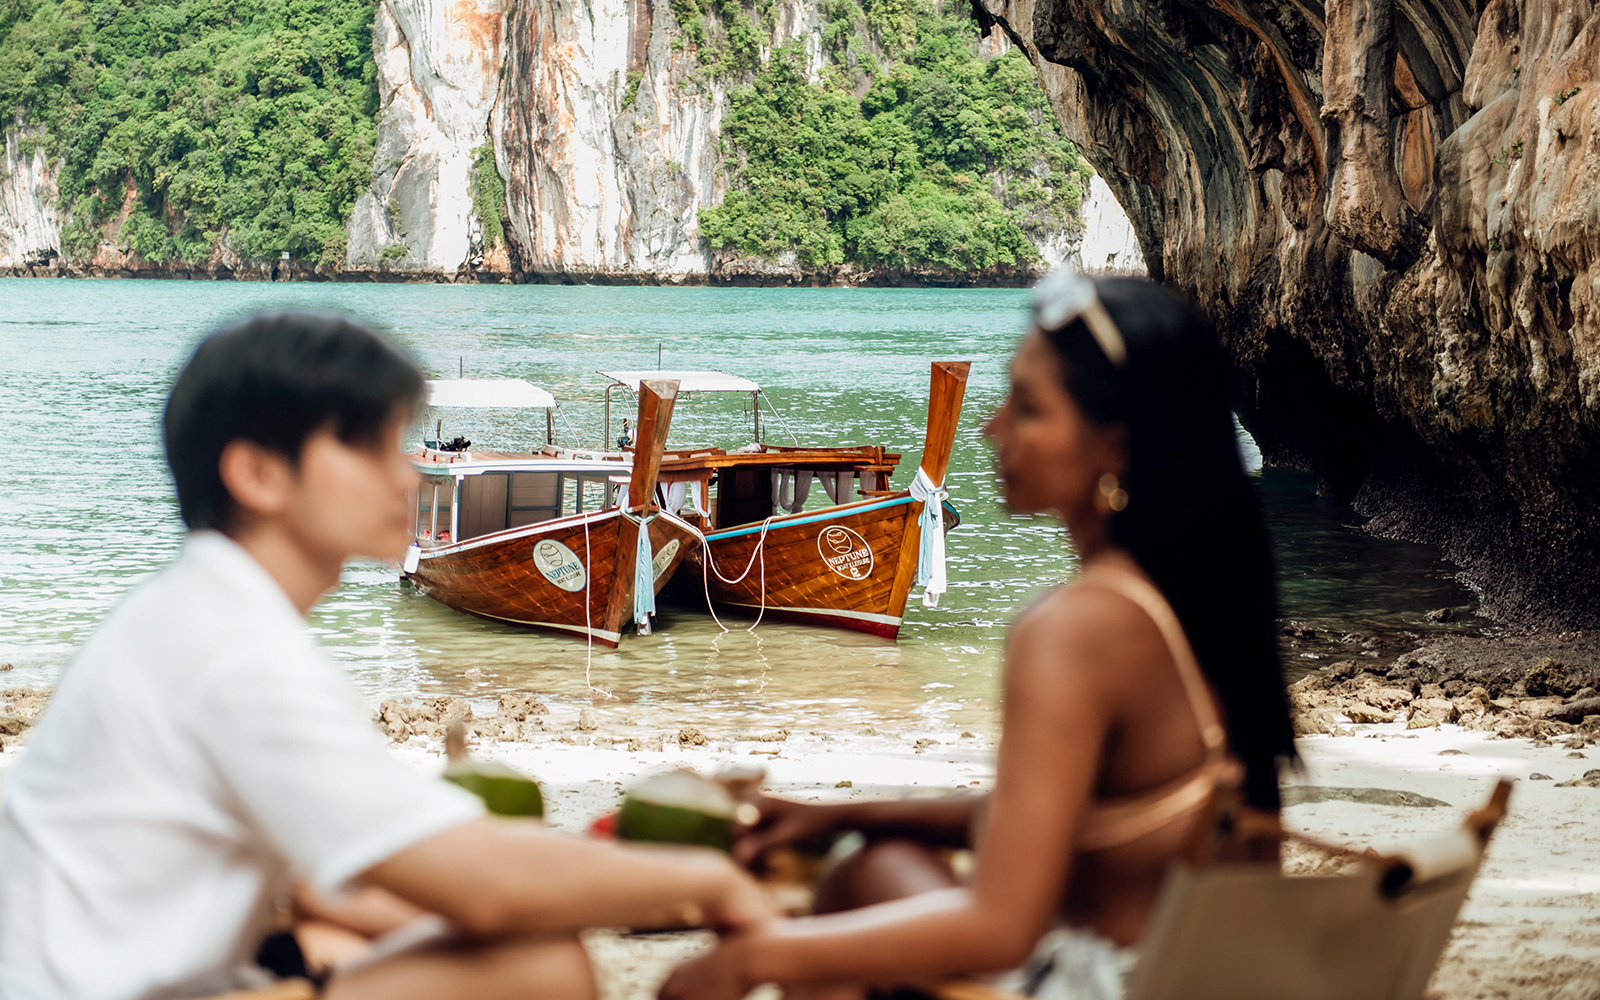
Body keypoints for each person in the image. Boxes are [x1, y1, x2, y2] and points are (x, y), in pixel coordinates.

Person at [0, 312, 770, 999]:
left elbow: (338, 883)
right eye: (371, 446)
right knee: (535, 964)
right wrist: (706, 880)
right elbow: (487, 888)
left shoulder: (196, 610)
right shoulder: (237, 652)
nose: (405, 474)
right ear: (259, 474)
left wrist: (608, 884)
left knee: (367, 934)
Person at [660, 270, 1296, 1000]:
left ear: (1112, 447)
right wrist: (844, 812)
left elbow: (1001, 926)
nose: (994, 428)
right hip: (1196, 975)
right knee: (878, 856)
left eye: (1027, 407)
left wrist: (755, 959)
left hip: (1107, 985)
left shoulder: (1077, 628)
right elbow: (1067, 815)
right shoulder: (1196, 594)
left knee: (862, 880)